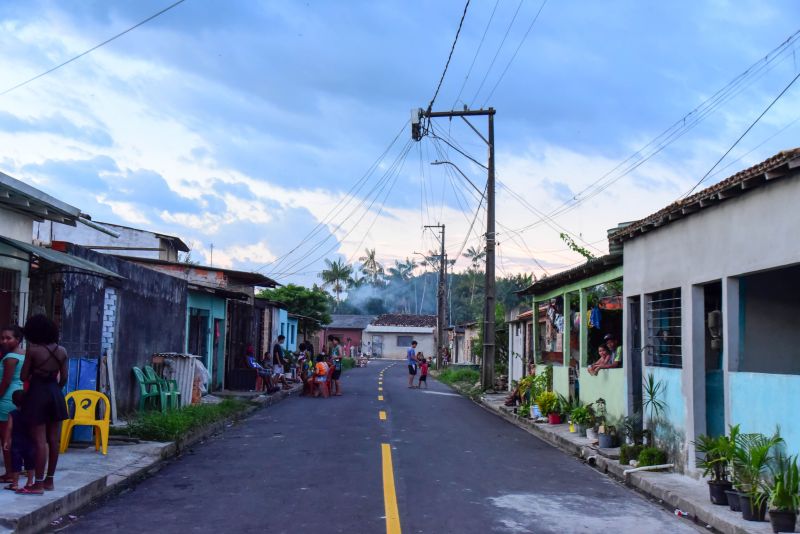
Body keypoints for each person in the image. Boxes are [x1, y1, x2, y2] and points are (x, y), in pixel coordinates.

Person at [19, 314, 68, 494]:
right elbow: (64, 378)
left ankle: (37, 484)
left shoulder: (33, 350)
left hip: (37, 395)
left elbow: (23, 376)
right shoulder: (62, 351)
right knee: (53, 440)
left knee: (40, 441)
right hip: (55, 394)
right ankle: (49, 481)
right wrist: (53, 387)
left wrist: (36, 376)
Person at [0, 325, 25, 483]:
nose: (4, 341)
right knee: (13, 436)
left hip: (6, 398)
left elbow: (6, 382)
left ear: (18, 339)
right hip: (18, 395)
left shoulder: (10, 357)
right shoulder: (24, 354)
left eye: (8, 338)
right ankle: (14, 470)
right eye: (2, 338)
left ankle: (10, 473)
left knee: (6, 438)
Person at [3, 390, 35, 492]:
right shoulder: (31, 414)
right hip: (30, 442)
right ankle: (30, 482)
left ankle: (15, 484)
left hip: (16, 443)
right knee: (30, 463)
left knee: (15, 464)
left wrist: (6, 441)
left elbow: (9, 428)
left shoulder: (12, 414)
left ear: (13, 402)